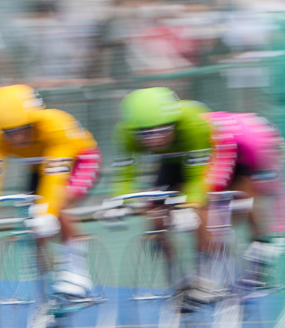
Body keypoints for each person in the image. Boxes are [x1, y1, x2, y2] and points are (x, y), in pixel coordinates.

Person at [107, 86, 282, 300]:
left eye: (161, 131)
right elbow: (125, 172)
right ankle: (177, 279)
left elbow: (199, 178)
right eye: (145, 133)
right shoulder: (126, 132)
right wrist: (120, 200)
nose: (153, 139)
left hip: (229, 151)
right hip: (177, 157)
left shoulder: (197, 125)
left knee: (214, 204)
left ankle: (232, 258)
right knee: (156, 210)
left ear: (174, 124)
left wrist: (192, 205)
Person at [0, 84, 100, 299]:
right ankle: (47, 294)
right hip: (40, 167)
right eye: (9, 133)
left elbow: (55, 177)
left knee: (58, 206)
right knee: (33, 224)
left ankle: (77, 272)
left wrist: (48, 211)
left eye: (23, 129)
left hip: (79, 159)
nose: (17, 138)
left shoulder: (54, 125)